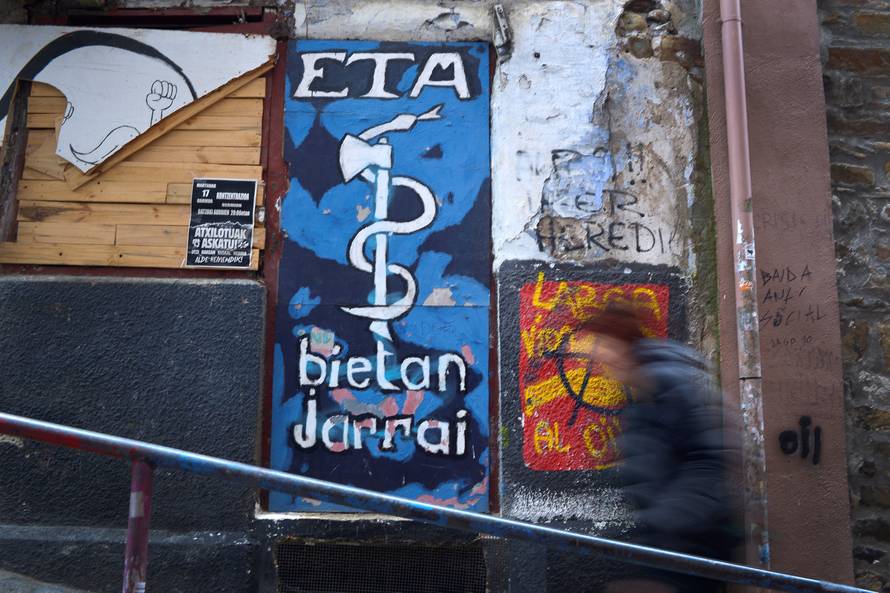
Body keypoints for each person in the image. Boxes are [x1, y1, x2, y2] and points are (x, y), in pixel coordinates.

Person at [578, 301, 742, 593]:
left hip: (690, 547)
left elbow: (708, 461)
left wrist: (666, 523)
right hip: (665, 547)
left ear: (619, 342)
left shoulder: (670, 381)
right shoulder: (644, 390)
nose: (597, 359)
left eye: (600, 345)